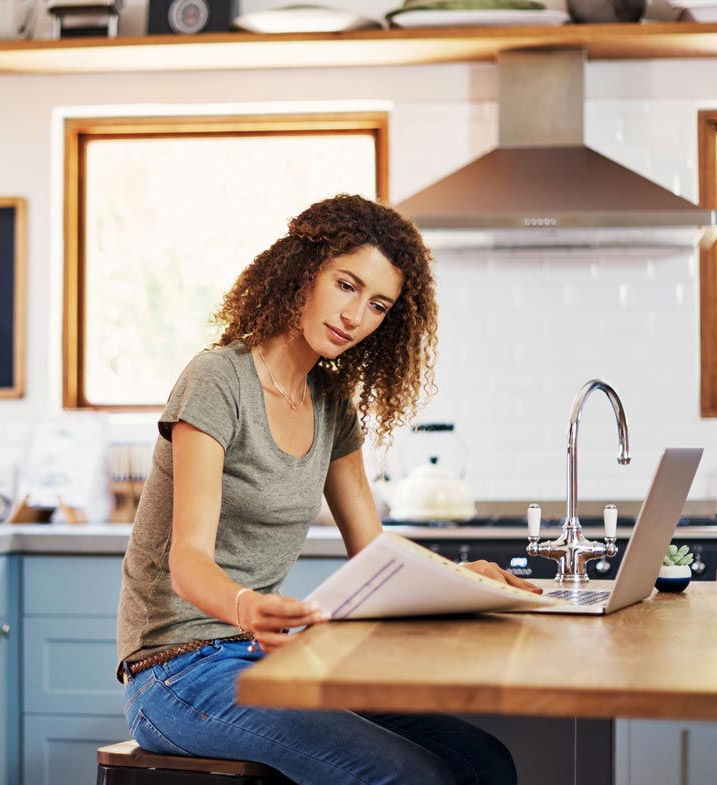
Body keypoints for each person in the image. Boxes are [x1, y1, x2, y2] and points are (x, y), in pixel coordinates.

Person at [116, 194, 540, 785]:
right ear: (303, 271)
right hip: (177, 674)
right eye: (346, 285)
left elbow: (374, 550)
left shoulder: (331, 402)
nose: (355, 316)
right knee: (414, 777)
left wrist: (468, 578)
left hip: (267, 658)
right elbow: (186, 559)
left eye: (377, 305)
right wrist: (244, 606)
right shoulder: (218, 378)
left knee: (484, 761)